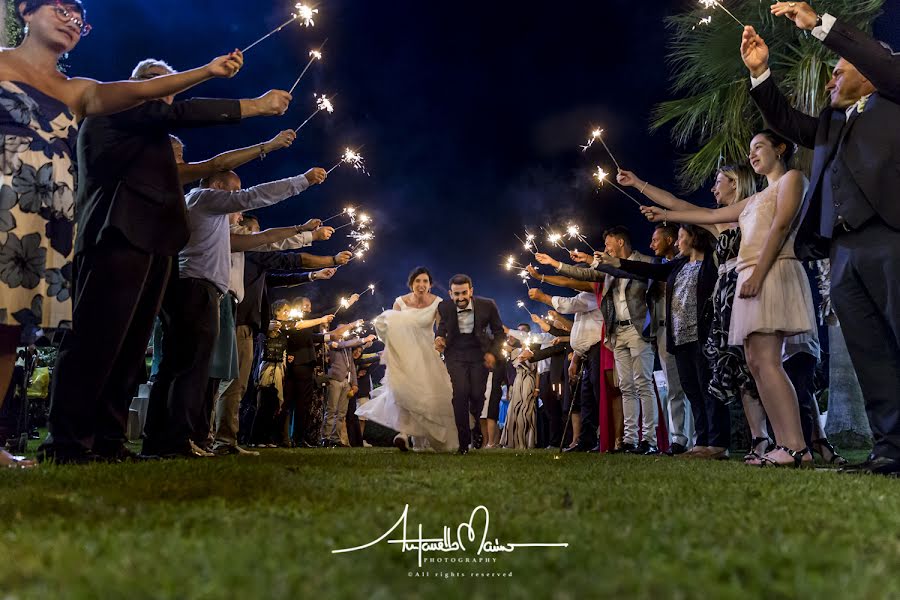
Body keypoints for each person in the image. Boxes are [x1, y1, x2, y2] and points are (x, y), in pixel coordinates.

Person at [1, 5, 257, 464]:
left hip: (146, 238)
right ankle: (68, 440)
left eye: (79, 18)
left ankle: (108, 439)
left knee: (130, 347)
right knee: (97, 339)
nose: (161, 95)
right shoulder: (121, 112)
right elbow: (174, 111)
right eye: (155, 85)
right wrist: (249, 106)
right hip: (114, 231)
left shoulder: (96, 102)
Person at [742, 3, 900, 476]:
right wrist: (760, 73)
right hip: (843, 250)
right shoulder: (832, 123)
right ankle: (891, 447)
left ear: (868, 73)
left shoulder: (893, 94)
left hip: (892, 236)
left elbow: (880, 62)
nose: (830, 80)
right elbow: (787, 122)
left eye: (839, 71)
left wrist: (819, 26)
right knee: (869, 351)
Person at [642, 130, 816, 467]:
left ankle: (797, 445)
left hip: (770, 271)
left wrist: (758, 274)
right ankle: (783, 444)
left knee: (768, 361)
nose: (752, 155)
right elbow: (703, 215)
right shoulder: (752, 201)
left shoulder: (792, 179)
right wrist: (654, 203)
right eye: (749, 150)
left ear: (780, 149)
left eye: (759, 147)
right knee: (755, 363)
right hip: (751, 277)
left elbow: (781, 228)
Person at [143, 167, 325, 459]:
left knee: (188, 369)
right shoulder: (202, 199)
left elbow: (260, 240)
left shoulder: (215, 225)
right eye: (234, 192)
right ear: (216, 186)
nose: (239, 206)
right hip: (195, 290)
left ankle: (173, 438)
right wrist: (300, 180)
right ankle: (176, 439)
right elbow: (258, 198)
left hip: (201, 292)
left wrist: (302, 231)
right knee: (188, 370)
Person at [619, 165, 764, 457]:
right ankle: (724, 441)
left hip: (748, 292)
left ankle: (767, 440)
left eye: (718, 182)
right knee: (725, 376)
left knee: (756, 370)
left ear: (736, 183)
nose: (713, 188)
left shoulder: (757, 209)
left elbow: (680, 210)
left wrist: (667, 214)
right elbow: (679, 205)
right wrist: (637, 183)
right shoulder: (719, 221)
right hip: (725, 303)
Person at [561, 225, 731, 459]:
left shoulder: (703, 265)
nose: (677, 242)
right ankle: (691, 441)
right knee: (682, 389)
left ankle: (707, 442)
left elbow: (643, 272)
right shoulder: (677, 266)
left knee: (698, 387)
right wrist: (612, 263)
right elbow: (633, 271)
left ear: (694, 239)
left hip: (682, 335)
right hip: (670, 336)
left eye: (681, 237)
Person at [357, 267, 459, 452]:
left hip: (427, 356)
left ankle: (420, 441)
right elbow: (391, 328)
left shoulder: (437, 303)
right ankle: (403, 434)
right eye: (418, 281)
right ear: (411, 283)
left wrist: (441, 340)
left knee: (425, 397)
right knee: (402, 394)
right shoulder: (399, 302)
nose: (421, 285)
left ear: (430, 284)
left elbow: (441, 328)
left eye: (425, 281)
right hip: (403, 356)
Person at [434, 274, 504, 454]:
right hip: (455, 354)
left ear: (471, 291)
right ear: (451, 294)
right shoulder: (444, 306)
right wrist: (439, 338)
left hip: (480, 354)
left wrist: (492, 354)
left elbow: (498, 333)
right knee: (460, 394)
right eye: (456, 294)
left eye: (464, 293)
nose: (461, 298)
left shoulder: (488, 305)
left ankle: (476, 428)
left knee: (477, 395)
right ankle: (463, 444)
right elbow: (442, 328)